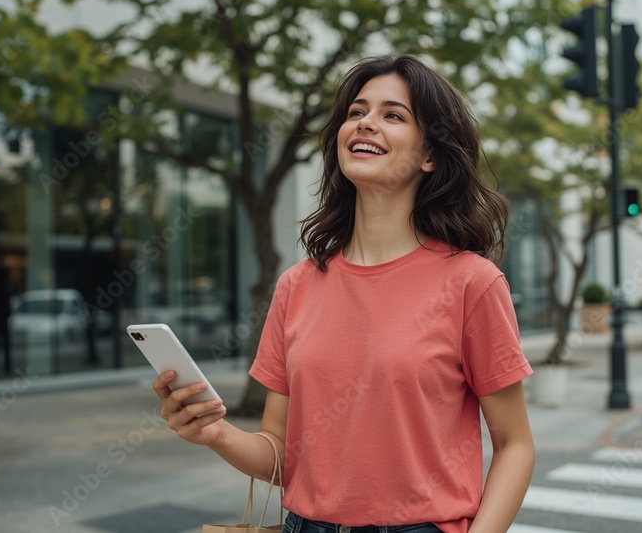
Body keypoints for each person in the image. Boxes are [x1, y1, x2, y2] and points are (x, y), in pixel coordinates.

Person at [154, 54, 535, 533]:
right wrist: (215, 434)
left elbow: (515, 445)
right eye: (356, 112)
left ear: (430, 156)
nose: (365, 124)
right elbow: (280, 454)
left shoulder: (471, 283)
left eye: (392, 115)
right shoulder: (297, 286)